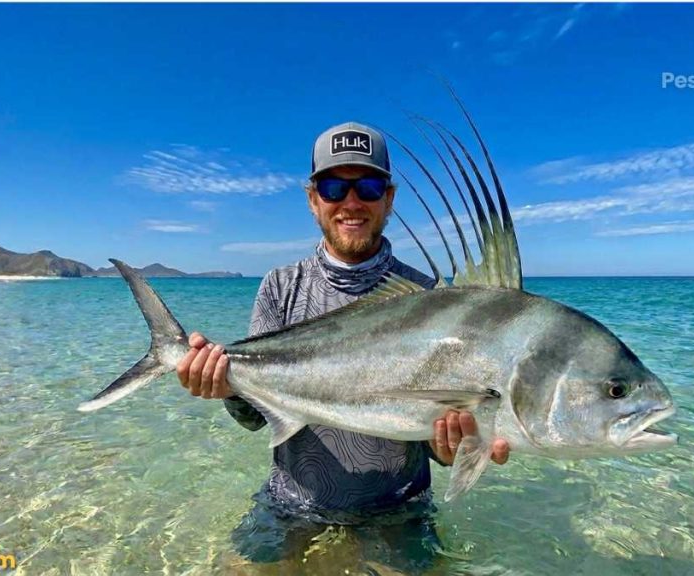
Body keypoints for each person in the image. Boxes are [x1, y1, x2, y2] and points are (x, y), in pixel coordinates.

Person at [176, 122, 510, 568]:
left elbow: (430, 431)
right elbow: (256, 418)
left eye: (368, 186)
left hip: (399, 513)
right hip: (290, 505)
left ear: (388, 199)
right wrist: (226, 389)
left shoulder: (432, 297)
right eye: (334, 187)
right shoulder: (281, 287)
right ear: (313, 199)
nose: (351, 203)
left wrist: (453, 448)